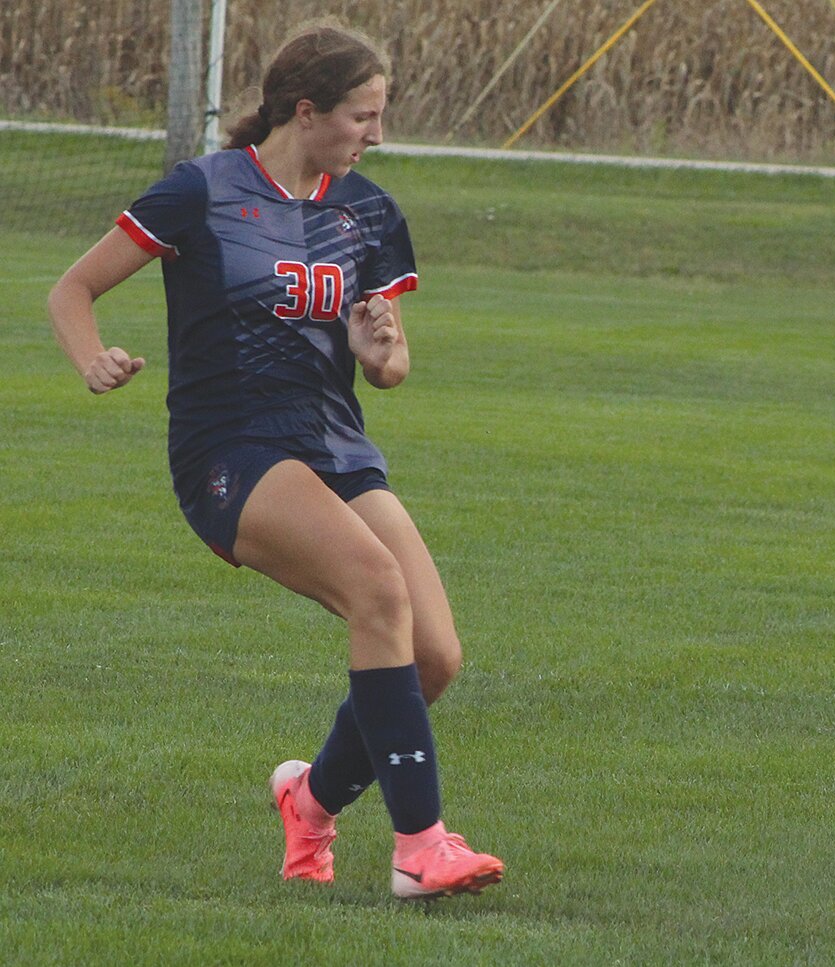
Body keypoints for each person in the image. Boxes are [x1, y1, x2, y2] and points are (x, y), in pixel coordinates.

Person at [47, 22, 503, 901]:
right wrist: (91, 357)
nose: (377, 134)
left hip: (337, 444)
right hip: (233, 447)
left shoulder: (365, 209)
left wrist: (382, 354)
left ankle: (311, 799)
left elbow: (392, 366)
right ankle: (420, 846)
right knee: (377, 590)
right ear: (306, 110)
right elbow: (73, 288)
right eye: (364, 115)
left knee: (436, 658)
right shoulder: (203, 191)